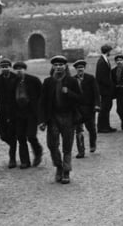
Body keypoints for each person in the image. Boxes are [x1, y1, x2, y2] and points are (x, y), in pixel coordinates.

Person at [38, 55, 83, 184]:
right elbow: (42, 102)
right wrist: (42, 120)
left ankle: (66, 171)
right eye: (56, 65)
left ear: (65, 66)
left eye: (61, 65)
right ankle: (58, 166)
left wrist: (68, 92)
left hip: (68, 116)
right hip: (53, 117)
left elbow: (80, 98)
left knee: (67, 145)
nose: (58, 67)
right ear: (53, 67)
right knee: (52, 145)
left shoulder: (72, 81)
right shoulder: (48, 82)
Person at [0, 58, 20, 168]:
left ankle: (12, 158)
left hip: (14, 110)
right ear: (0, 68)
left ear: (10, 67)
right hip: (2, 109)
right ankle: (12, 143)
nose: (4, 69)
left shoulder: (16, 78)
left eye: (6, 66)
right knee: (3, 135)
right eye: (2, 67)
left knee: (12, 133)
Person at [12, 61, 43, 169]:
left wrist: (40, 113)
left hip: (31, 112)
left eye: (21, 68)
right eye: (16, 69)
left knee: (31, 136)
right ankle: (25, 161)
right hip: (18, 113)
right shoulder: (13, 81)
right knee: (20, 137)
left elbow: (41, 96)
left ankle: (38, 151)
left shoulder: (33, 80)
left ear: (25, 69)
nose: (19, 71)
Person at [73, 59, 101, 159]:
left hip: (89, 108)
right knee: (78, 130)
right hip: (77, 109)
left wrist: (97, 104)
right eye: (78, 68)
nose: (80, 69)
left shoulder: (90, 78)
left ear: (84, 68)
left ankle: (92, 143)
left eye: (82, 68)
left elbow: (96, 92)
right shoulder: (72, 80)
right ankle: (81, 151)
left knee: (91, 128)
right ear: (75, 69)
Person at [95, 44, 117, 133]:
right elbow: (101, 77)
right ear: (108, 51)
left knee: (107, 107)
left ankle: (106, 126)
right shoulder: (101, 61)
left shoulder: (104, 60)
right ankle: (102, 127)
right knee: (104, 107)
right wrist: (109, 85)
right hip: (104, 89)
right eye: (110, 51)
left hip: (105, 88)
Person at [111, 54, 123, 132]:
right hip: (118, 92)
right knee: (119, 110)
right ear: (116, 62)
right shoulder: (113, 71)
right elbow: (112, 81)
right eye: (117, 60)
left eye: (121, 60)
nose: (119, 62)